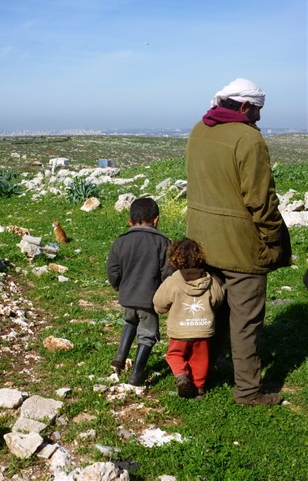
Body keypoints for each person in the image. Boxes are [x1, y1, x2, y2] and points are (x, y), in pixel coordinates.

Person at [185, 77, 292, 406]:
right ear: (244, 106)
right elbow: (261, 201)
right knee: (245, 320)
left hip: (201, 240)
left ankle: (198, 376)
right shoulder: (248, 139)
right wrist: (274, 240)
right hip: (241, 245)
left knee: (208, 311)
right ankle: (247, 391)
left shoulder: (198, 130)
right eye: (258, 109)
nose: (259, 116)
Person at [107, 197, 171, 386]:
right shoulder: (163, 242)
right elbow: (168, 273)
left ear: (130, 222)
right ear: (156, 220)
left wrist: (119, 286)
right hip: (149, 299)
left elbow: (112, 270)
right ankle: (137, 374)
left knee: (130, 320)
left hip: (127, 296)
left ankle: (120, 356)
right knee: (148, 333)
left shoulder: (120, 242)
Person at [153, 238, 225, 399]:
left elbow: (159, 302)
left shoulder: (172, 282)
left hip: (180, 330)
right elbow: (218, 298)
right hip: (203, 328)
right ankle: (199, 388)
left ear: (174, 260)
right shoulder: (209, 280)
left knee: (175, 355)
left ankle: (181, 376)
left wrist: (161, 310)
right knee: (201, 358)